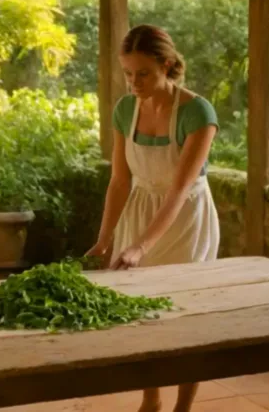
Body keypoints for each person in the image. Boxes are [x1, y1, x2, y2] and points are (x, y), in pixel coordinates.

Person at [85, 24, 220, 412]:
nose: (134, 82)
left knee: (186, 318)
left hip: (185, 217)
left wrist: (142, 246)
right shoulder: (125, 109)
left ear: (167, 65)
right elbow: (118, 180)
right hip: (140, 209)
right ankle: (151, 401)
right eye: (128, 73)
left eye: (143, 73)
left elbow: (179, 189)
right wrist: (106, 238)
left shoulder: (198, 112)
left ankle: (183, 406)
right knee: (141, 313)